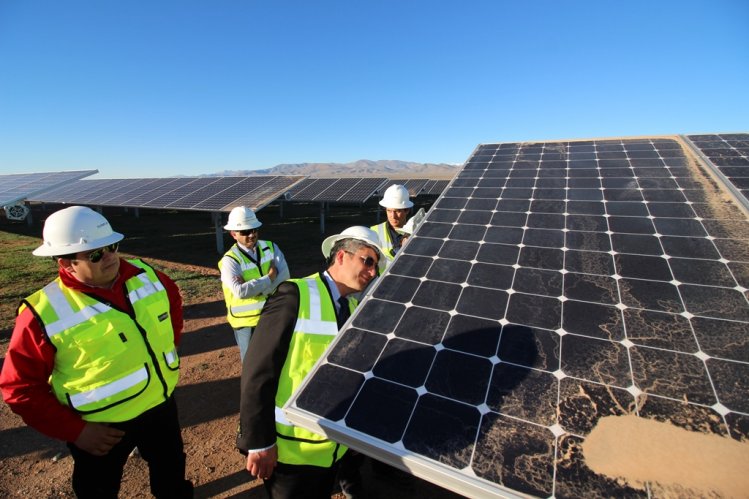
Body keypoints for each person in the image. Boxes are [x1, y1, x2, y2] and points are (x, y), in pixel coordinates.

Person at [0, 206, 193, 498]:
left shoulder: (149, 276)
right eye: (94, 254)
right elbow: (19, 387)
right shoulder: (43, 313)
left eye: (112, 246)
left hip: (160, 406)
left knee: (172, 478)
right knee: (98, 490)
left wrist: (170, 345)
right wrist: (76, 432)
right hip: (101, 428)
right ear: (65, 262)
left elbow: (172, 305)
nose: (110, 257)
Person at [237, 226, 384, 499]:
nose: (373, 271)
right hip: (291, 454)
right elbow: (258, 372)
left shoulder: (352, 309)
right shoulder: (295, 294)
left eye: (376, 265)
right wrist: (259, 443)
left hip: (330, 450)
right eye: (368, 260)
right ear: (341, 256)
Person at [219, 206, 289, 362]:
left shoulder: (271, 247)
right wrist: (269, 278)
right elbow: (241, 292)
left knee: (274, 357)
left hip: (272, 313)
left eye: (254, 229)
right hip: (246, 322)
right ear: (233, 234)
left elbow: (284, 276)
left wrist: (257, 289)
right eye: (245, 232)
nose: (252, 235)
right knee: (252, 362)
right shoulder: (230, 261)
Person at [370, 184, 413, 263]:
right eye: (389, 211)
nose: (393, 216)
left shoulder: (416, 233)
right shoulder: (373, 232)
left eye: (397, 211)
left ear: (407, 210)